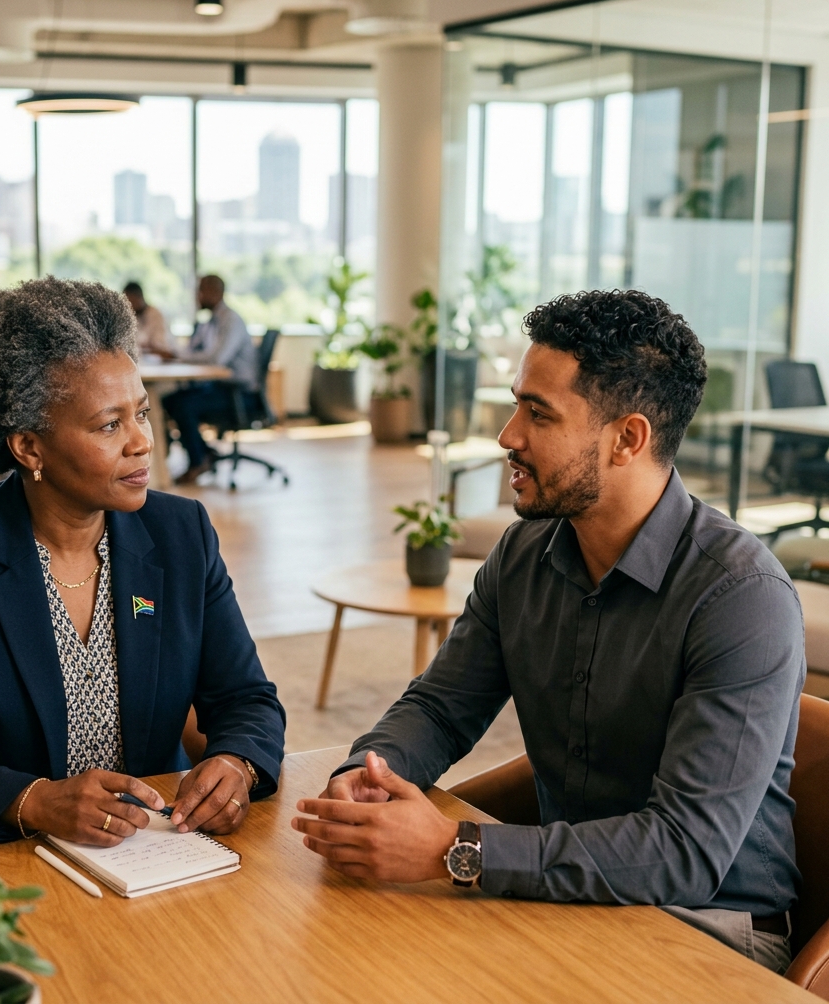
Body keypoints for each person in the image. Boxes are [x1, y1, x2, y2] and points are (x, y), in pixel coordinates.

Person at [292, 289, 805, 975]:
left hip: (714, 930)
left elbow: (686, 852)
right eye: (516, 404)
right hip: (569, 897)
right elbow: (441, 708)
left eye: (539, 413)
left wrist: (457, 847)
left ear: (628, 439)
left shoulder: (741, 597)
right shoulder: (522, 555)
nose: (508, 434)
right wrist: (370, 770)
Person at [0, 277, 286, 846]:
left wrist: (238, 764)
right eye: (109, 425)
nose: (142, 442)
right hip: (10, 864)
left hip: (156, 853)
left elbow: (246, 699)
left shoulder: (180, 533)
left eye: (141, 413)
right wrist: (34, 800)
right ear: (29, 447)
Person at [163, 274, 258, 485]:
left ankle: (198, 461)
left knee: (183, 405)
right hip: (221, 387)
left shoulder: (230, 320)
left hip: (239, 393)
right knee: (170, 401)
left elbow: (217, 358)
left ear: (216, 292)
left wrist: (179, 356)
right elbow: (198, 350)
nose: (198, 297)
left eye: (201, 291)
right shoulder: (211, 321)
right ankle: (204, 453)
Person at [123, 281, 170, 356]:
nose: (130, 306)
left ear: (140, 298)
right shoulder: (126, 316)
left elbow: (160, 347)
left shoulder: (154, 314)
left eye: (132, 301)